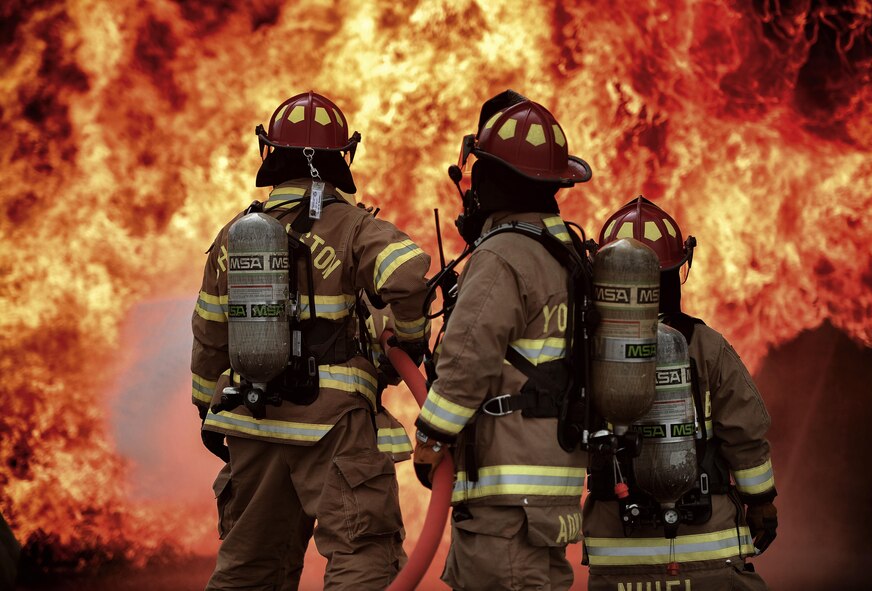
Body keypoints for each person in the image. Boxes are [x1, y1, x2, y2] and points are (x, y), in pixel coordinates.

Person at [191, 91, 430, 590]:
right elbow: (408, 274)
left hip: (252, 419)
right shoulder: (353, 226)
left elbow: (210, 332)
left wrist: (208, 407)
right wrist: (408, 341)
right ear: (342, 158)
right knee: (361, 552)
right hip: (333, 426)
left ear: (271, 154)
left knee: (251, 566)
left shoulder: (235, 234)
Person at [413, 90, 593, 590]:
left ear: (496, 179)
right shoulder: (567, 252)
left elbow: (468, 358)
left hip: (505, 497)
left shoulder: (503, 255)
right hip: (550, 487)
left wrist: (431, 436)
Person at [582, 197, 777, 590]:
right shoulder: (706, 345)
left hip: (617, 553)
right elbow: (744, 432)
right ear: (677, 271)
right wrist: (761, 501)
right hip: (706, 548)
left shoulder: (585, 349)